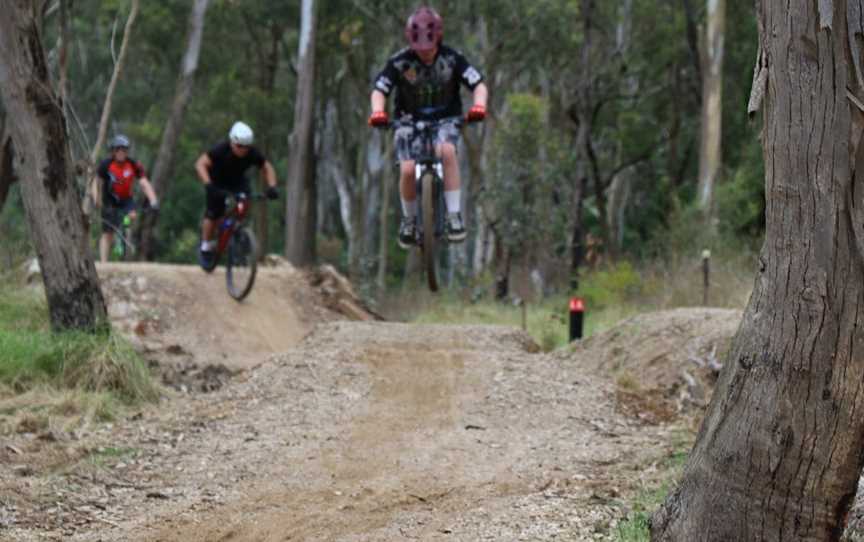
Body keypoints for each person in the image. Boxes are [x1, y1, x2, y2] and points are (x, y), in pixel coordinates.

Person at [368, 5, 488, 249]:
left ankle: (454, 215)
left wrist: (479, 106)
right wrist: (378, 111)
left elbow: (479, 85)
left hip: (447, 120)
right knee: (408, 169)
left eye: (429, 48)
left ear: (439, 39)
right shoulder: (399, 62)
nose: (424, 53)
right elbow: (379, 90)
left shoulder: (453, 58)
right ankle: (409, 221)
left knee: (446, 151)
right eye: (418, 49)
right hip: (407, 121)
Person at [194, 121, 279, 270]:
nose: (243, 150)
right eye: (239, 146)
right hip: (217, 182)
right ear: (232, 142)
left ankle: (237, 233)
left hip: (238, 182)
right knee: (213, 213)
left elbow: (267, 167)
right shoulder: (221, 149)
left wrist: (272, 186)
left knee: (245, 201)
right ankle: (206, 246)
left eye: (246, 146)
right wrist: (208, 185)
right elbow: (200, 164)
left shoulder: (252, 152)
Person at [94, 134, 158, 263]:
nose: (121, 153)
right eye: (118, 149)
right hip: (109, 200)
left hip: (126, 199)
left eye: (124, 150)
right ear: (113, 151)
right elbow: (96, 182)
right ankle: (104, 262)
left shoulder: (133, 165)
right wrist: (97, 198)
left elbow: (144, 183)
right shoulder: (106, 164)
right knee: (108, 233)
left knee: (133, 215)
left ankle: (124, 227)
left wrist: (154, 201)